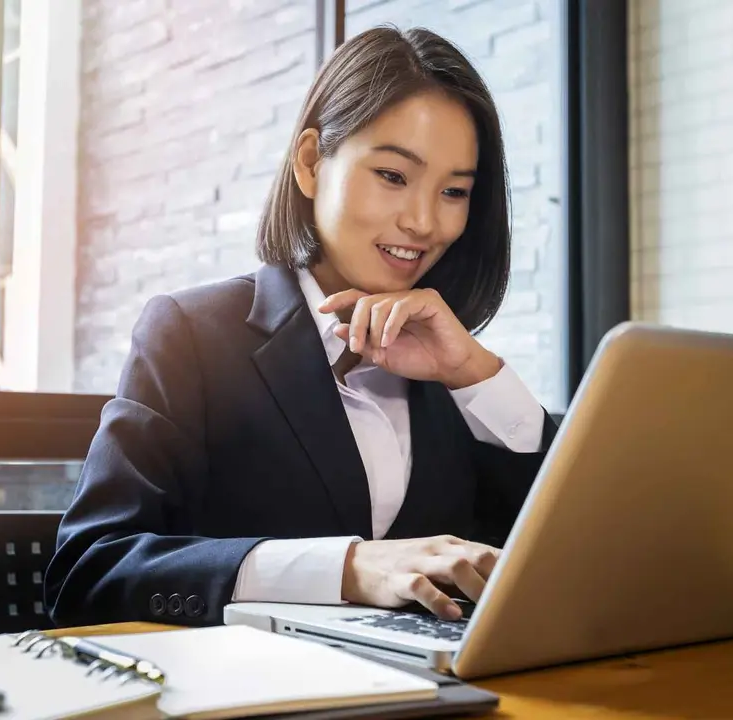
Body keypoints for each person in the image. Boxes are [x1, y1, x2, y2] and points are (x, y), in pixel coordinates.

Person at [45, 26, 558, 628]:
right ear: (312, 164)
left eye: (453, 191)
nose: (423, 221)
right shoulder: (192, 335)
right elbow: (89, 571)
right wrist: (346, 569)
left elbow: (561, 556)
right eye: (393, 175)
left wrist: (475, 374)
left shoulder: (458, 380)